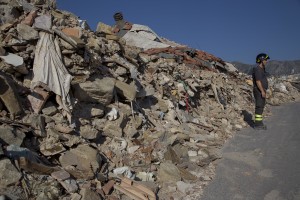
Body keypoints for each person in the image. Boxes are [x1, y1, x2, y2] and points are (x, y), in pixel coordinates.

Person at [252, 53, 270, 130]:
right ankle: (257, 124)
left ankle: (259, 122)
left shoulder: (262, 69)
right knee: (259, 106)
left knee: (261, 106)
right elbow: (258, 81)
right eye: (265, 60)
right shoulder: (258, 69)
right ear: (261, 60)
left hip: (261, 90)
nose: (267, 61)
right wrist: (262, 91)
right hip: (258, 90)